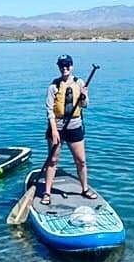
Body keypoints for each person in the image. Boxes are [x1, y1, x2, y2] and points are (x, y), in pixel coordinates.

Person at [42, 54, 97, 206]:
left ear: (72, 66)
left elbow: (85, 105)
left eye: (67, 65)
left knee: (81, 161)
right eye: (61, 65)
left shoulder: (80, 83)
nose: (64, 68)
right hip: (57, 127)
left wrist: (84, 96)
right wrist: (54, 131)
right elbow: (49, 110)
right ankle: (47, 192)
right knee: (52, 160)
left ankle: (84, 189)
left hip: (74, 125)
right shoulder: (53, 86)